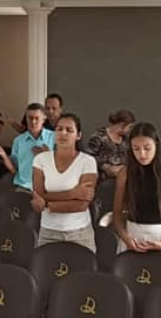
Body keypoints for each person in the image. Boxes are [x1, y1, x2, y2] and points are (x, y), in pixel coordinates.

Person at [112, 122, 161, 271]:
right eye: (136, 149)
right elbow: (117, 214)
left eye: (147, 148)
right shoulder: (125, 173)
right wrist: (126, 238)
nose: (142, 154)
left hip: (160, 238)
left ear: (156, 145)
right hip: (132, 238)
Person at [31, 114, 97, 253]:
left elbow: (81, 205)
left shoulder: (87, 161)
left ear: (78, 135)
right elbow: (38, 197)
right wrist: (73, 193)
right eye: (59, 129)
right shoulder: (41, 159)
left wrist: (46, 204)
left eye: (69, 130)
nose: (63, 133)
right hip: (49, 231)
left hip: (79, 233)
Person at [9, 103, 56, 194]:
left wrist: (48, 156)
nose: (33, 122)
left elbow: (63, 166)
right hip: (24, 187)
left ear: (44, 119)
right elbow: (15, 166)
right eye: (30, 118)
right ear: (26, 119)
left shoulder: (54, 138)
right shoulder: (18, 141)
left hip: (48, 189)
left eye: (37, 118)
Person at [84, 109, 137, 180]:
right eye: (129, 127)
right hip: (102, 178)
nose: (129, 130)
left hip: (123, 177)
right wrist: (105, 167)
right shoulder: (99, 136)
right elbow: (88, 156)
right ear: (122, 125)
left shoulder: (126, 139)